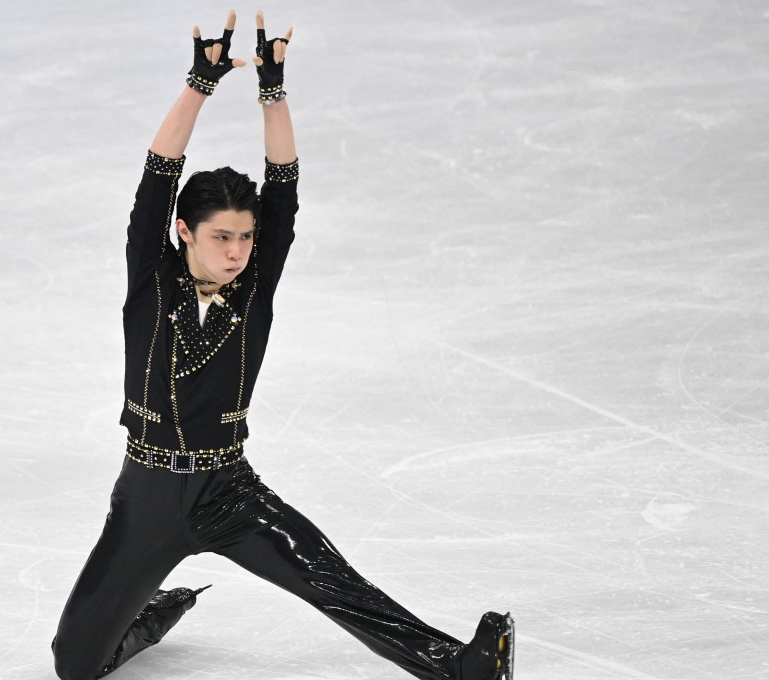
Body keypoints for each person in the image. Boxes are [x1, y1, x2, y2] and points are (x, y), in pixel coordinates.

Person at [51, 10, 515, 680]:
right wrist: (200, 84)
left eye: (245, 237)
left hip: (227, 492)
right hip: (146, 498)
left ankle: (459, 665)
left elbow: (283, 186)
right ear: (184, 232)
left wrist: (273, 91)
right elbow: (158, 173)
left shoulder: (254, 287)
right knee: (74, 666)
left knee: (330, 580)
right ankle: (148, 614)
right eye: (222, 237)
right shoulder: (151, 277)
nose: (237, 251)